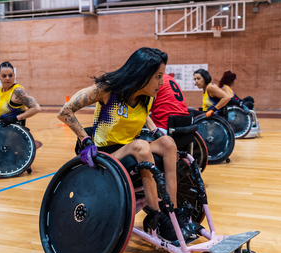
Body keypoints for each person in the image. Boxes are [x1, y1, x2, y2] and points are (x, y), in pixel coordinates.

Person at [57, 47, 195, 242]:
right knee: (141, 146)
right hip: (106, 154)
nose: (161, 82)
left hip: (129, 149)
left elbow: (143, 114)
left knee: (168, 143)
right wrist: (84, 140)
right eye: (157, 76)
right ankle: (157, 216)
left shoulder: (147, 97)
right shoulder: (107, 89)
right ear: (143, 74)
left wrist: (155, 130)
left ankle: (171, 208)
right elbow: (65, 111)